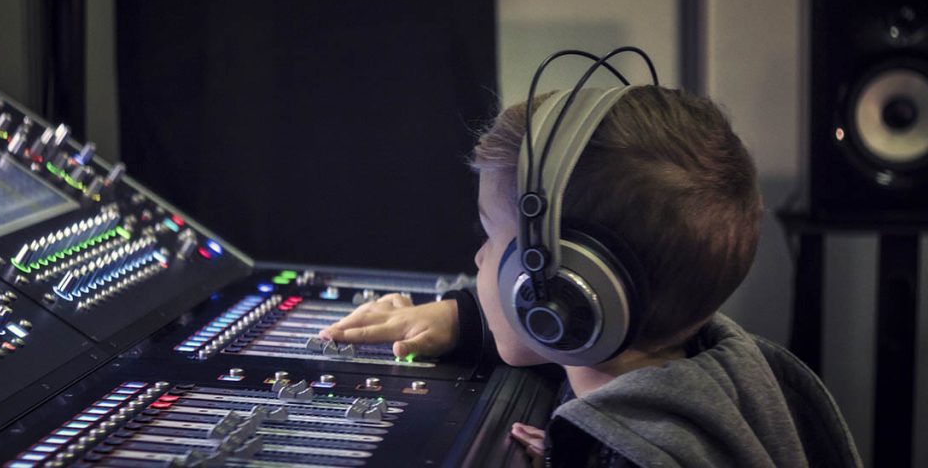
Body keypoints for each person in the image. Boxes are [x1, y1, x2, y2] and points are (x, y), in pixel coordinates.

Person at [320, 84, 861, 467]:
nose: (481, 260)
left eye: (492, 237)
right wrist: (464, 317)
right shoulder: (712, 365)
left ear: (560, 293)